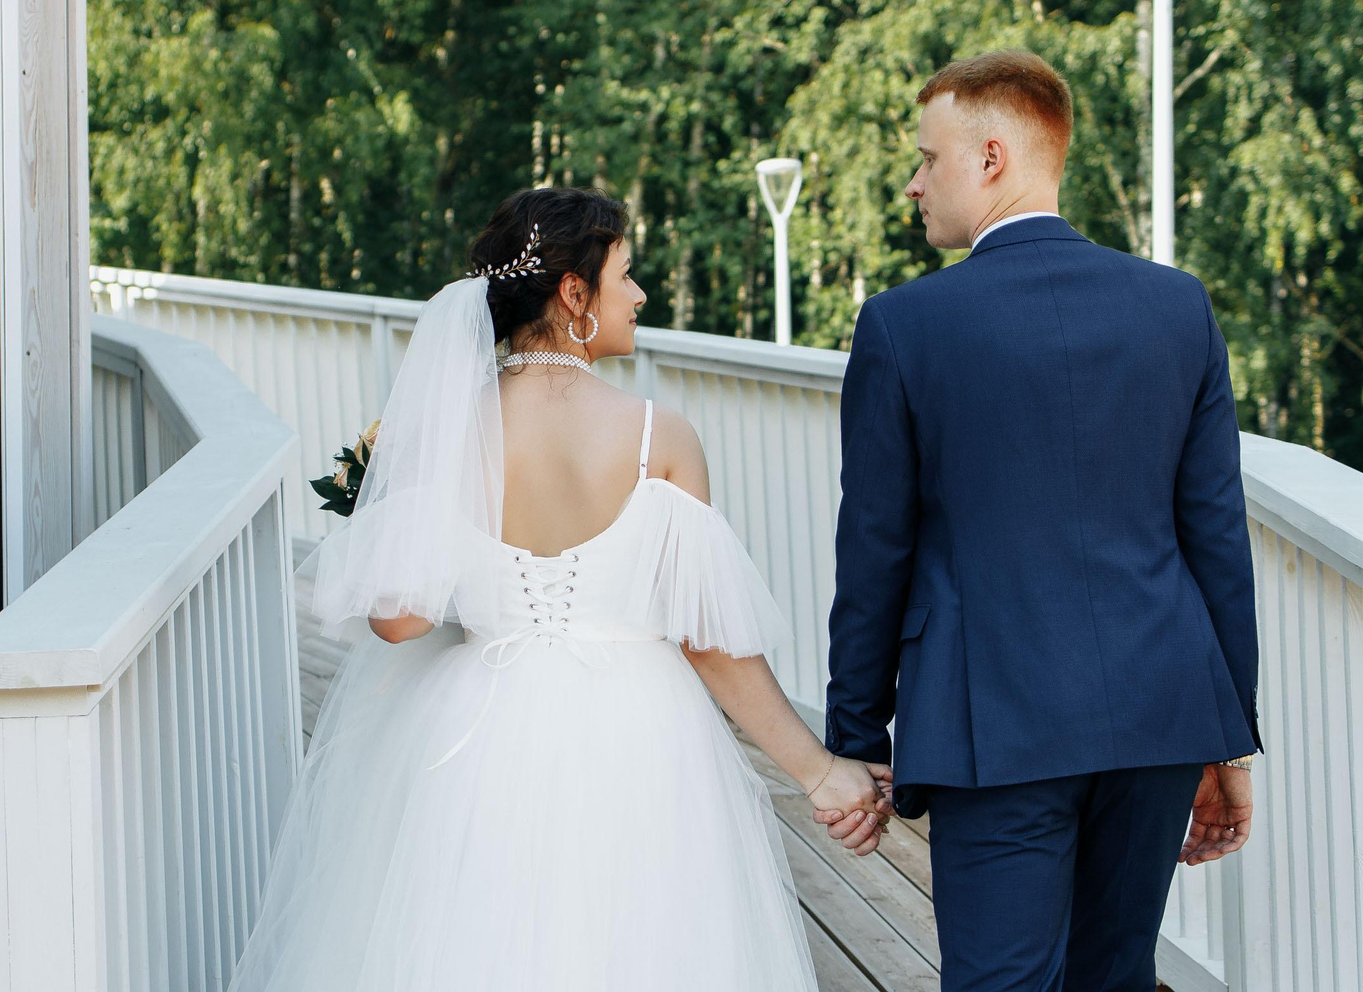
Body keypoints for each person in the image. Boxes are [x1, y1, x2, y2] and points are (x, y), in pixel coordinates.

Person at [228, 187, 894, 992]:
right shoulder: (661, 438)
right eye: (626, 274)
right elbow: (710, 643)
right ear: (575, 294)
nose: (639, 294)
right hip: (643, 738)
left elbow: (399, 623)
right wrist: (822, 773)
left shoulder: (444, 432)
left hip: (475, 736)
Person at [825, 50, 1263, 992]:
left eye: (926, 158)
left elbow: (875, 549)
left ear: (991, 157)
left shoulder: (904, 325)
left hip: (997, 725)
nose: (914, 182)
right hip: (1158, 715)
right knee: (1115, 976)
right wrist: (1225, 736)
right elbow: (1216, 537)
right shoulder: (1176, 306)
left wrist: (857, 739)